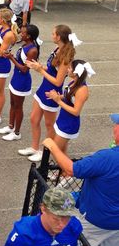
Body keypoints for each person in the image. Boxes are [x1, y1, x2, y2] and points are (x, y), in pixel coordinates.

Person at [43, 114, 119, 246]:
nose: (114, 128)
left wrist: (52, 146)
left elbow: (70, 169)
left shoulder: (107, 158)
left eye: (117, 125)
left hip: (92, 219)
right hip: (116, 224)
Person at [19, 25, 77, 163]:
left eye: (53, 34)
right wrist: (38, 66)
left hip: (51, 92)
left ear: (59, 37)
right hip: (43, 87)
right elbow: (50, 68)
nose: (51, 36)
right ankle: (34, 147)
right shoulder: (57, 49)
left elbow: (58, 81)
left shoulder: (66, 57)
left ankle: (45, 151)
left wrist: (40, 71)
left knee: (49, 125)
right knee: (34, 118)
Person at [0, 24, 41, 142]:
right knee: (12, 103)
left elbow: (25, 69)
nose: (21, 34)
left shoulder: (32, 50)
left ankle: (17, 132)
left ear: (29, 36)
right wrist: (10, 57)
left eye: (23, 33)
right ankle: (10, 126)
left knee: (18, 106)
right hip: (16, 78)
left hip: (22, 81)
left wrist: (11, 58)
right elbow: (19, 63)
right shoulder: (25, 44)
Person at [47, 59, 92, 153]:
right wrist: (57, 96)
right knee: (62, 153)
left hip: (69, 124)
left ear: (75, 73)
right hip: (63, 119)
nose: (67, 69)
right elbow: (68, 95)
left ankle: (67, 168)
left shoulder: (82, 90)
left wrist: (58, 100)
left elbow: (76, 112)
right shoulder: (74, 82)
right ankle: (64, 168)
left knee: (55, 152)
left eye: (70, 68)